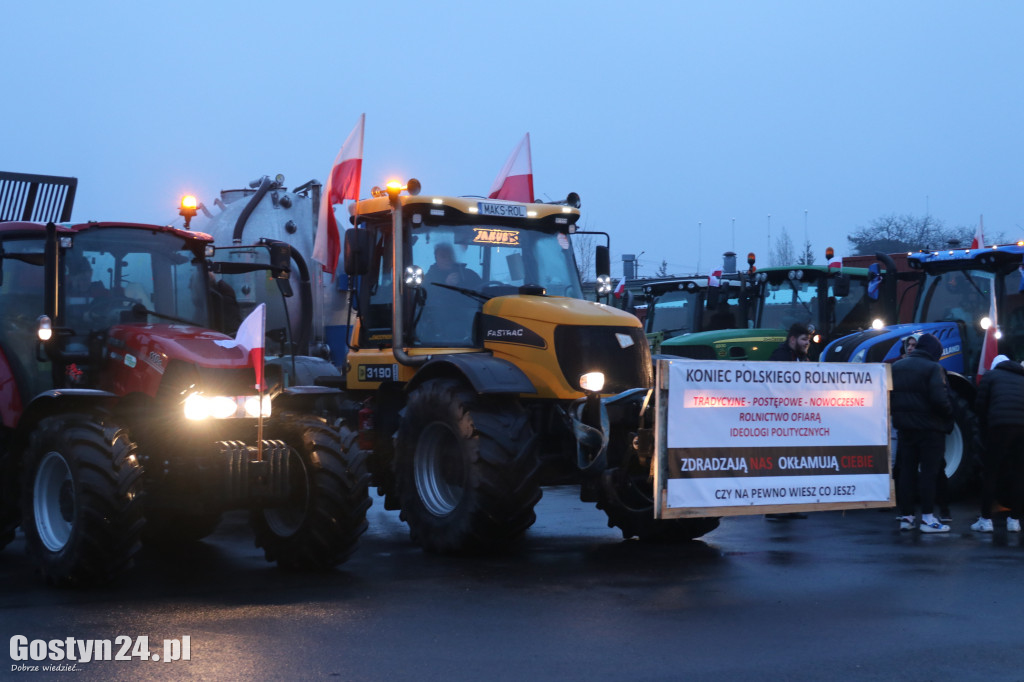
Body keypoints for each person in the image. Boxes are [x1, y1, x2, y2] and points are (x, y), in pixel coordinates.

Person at [890, 333, 954, 533]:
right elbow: (939, 400)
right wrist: (949, 414)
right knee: (929, 474)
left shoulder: (897, 367)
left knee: (906, 473)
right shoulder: (934, 368)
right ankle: (927, 518)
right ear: (932, 351)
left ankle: (906, 517)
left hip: (905, 429)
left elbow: (889, 397)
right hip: (930, 430)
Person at [971, 354, 1024, 533]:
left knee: (990, 473)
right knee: (1019, 474)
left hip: (999, 426)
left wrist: (985, 431)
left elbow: (980, 406)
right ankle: (1014, 521)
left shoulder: (991, 376)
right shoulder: (1021, 377)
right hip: (1021, 427)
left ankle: (986, 520)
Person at [765, 322, 811, 521]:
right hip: (780, 419)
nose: (807, 344)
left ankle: (791, 505)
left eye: (808, 341)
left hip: (795, 419)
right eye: (803, 340)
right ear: (793, 339)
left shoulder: (802, 358)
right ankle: (773, 508)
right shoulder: (780, 357)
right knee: (779, 464)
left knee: (793, 464)